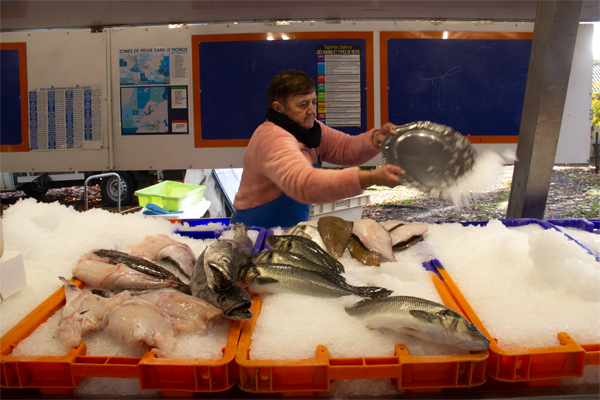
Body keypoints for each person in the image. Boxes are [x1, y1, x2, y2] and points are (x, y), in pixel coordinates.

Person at [230, 69, 404, 228]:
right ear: (279, 108)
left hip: (288, 230)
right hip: (254, 232)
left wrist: (375, 140)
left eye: (314, 102)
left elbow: (344, 148)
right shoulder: (272, 136)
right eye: (303, 104)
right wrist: (371, 177)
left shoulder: (310, 130)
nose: (312, 111)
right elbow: (303, 183)